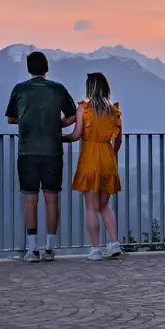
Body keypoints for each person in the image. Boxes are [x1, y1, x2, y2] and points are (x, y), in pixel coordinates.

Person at [6, 50, 77, 262]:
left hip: (27, 152)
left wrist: (29, 121)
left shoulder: (19, 89)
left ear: (29, 69)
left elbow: (10, 119)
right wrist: (56, 124)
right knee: (52, 199)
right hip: (52, 151)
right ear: (46, 68)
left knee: (30, 200)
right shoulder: (58, 89)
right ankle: (50, 248)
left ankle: (31, 250)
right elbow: (72, 116)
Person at [65, 72, 123, 261]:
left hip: (89, 159)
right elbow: (119, 139)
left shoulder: (84, 109)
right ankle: (114, 243)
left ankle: (95, 249)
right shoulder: (114, 111)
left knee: (91, 207)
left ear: (89, 88)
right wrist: (111, 154)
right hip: (108, 159)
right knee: (104, 205)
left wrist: (58, 138)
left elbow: (75, 135)